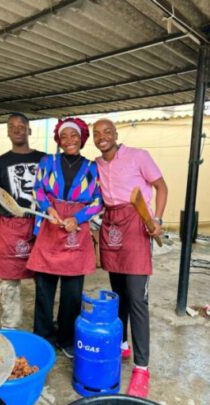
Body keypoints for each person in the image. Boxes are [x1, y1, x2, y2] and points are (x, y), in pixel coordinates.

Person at [93, 118, 167, 398]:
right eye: (97, 134)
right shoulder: (96, 165)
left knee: (137, 299)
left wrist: (157, 218)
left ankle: (142, 367)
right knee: (119, 294)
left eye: (107, 132)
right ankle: (122, 345)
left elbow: (162, 187)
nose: (103, 137)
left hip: (137, 226)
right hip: (111, 227)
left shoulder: (139, 156)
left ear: (116, 134)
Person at [27, 117, 102, 358]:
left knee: (71, 293)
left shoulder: (92, 168)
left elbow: (99, 200)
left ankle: (66, 338)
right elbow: (38, 189)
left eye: (74, 136)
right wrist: (49, 210)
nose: (69, 140)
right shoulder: (47, 162)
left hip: (76, 232)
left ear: (82, 138)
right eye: (64, 136)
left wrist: (77, 218)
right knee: (44, 290)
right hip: (50, 225)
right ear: (58, 139)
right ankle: (43, 338)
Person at [0, 113, 46, 330]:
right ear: (8, 132)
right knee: (9, 281)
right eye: (12, 126)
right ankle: (11, 327)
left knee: (44, 279)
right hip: (9, 228)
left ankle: (44, 326)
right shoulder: (0, 162)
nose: (17, 129)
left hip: (40, 227)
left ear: (29, 130)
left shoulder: (44, 160)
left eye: (21, 126)